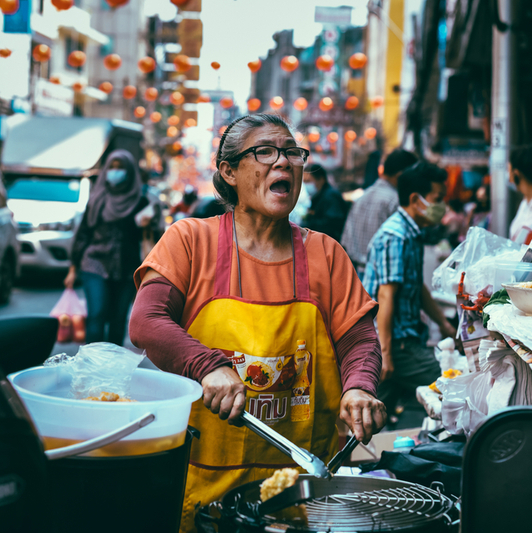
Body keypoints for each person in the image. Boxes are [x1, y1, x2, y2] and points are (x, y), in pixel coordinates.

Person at [128, 114, 386, 532]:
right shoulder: (190, 240)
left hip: (304, 489)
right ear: (228, 172)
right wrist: (207, 366)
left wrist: (359, 386)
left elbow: (358, 338)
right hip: (206, 487)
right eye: (265, 151)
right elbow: (147, 321)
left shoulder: (326, 253)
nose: (283, 163)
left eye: (291, 153)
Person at [362, 162, 457, 423]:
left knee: (374, 410)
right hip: (396, 344)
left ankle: (360, 453)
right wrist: (387, 353)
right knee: (451, 385)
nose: (442, 206)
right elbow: (386, 296)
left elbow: (417, 288)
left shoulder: (411, 233)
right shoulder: (396, 236)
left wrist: (445, 325)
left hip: (401, 340)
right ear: (416, 199)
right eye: (438, 199)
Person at [65, 150, 149, 345]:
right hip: (94, 263)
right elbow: (83, 234)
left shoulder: (140, 201)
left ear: (129, 172)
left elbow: (153, 237)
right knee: (97, 314)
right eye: (112, 167)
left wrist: (149, 223)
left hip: (127, 268)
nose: (115, 172)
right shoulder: (97, 200)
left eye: (120, 168)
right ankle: (93, 363)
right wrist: (72, 268)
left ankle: (112, 365)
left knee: (118, 319)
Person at [341, 149, 418, 274]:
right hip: (382, 275)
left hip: (355, 272)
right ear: (401, 175)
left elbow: (345, 240)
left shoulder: (361, 197)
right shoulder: (395, 201)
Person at [302, 163, 347, 240]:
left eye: (309, 181)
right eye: (304, 181)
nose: (306, 184)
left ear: (321, 179)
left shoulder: (331, 197)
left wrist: (309, 225)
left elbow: (332, 224)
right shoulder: (317, 196)